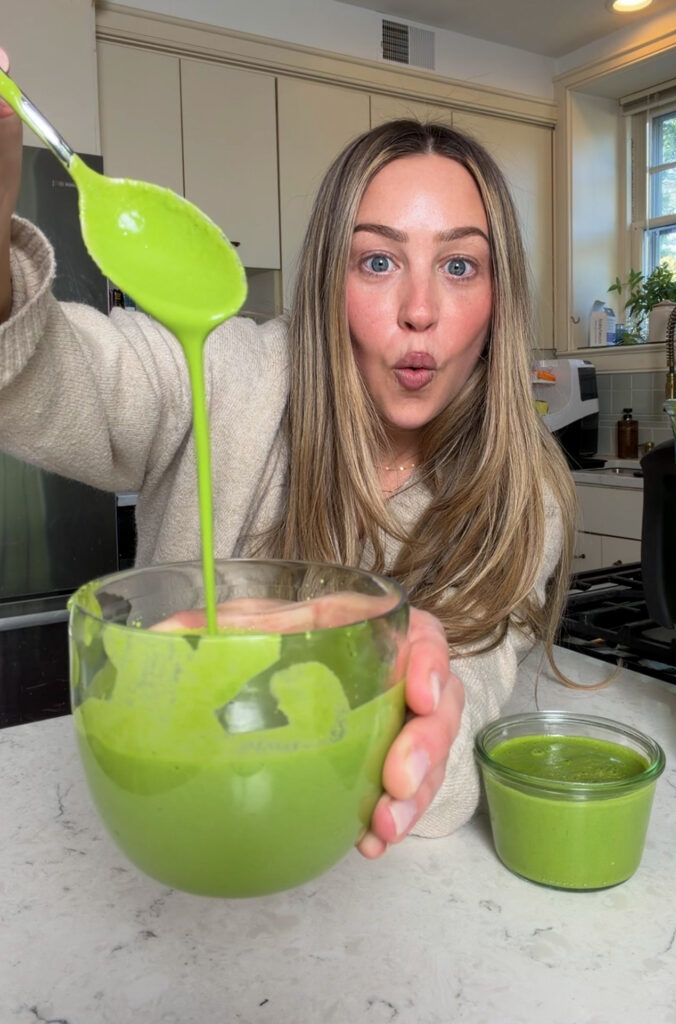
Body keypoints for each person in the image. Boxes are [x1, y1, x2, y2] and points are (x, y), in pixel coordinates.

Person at [0, 59, 576, 855]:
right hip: (169, 832)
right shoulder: (230, 375)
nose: (418, 311)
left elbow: (450, 751)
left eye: (458, 264)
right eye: (377, 260)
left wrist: (430, 713)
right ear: (328, 279)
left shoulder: (523, 497)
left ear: (498, 295)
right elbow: (51, 374)